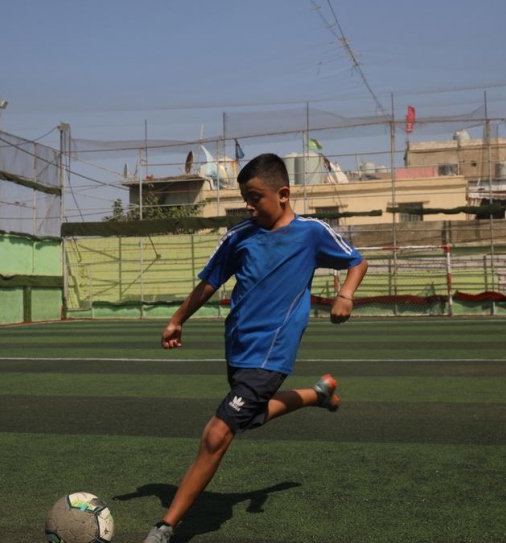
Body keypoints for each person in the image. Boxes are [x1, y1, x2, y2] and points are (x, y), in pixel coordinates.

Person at [143, 153, 368, 543]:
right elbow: (210, 282)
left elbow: (357, 260)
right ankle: (318, 394)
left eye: (255, 197)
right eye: (245, 198)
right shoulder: (239, 236)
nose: (249, 205)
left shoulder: (311, 232)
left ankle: (166, 527)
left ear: (283, 194)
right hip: (239, 349)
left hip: (273, 354)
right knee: (253, 415)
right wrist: (177, 319)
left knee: (217, 433)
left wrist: (345, 294)